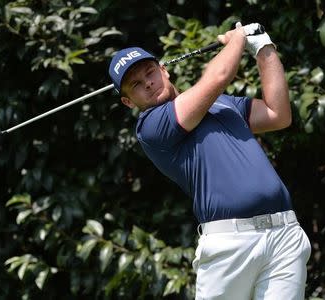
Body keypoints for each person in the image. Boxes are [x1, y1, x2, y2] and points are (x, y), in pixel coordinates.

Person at [108, 22, 311, 300]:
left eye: (150, 72)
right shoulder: (152, 126)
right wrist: (238, 39)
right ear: (128, 102)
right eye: (136, 84)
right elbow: (218, 76)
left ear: (163, 69)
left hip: (284, 233)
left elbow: (278, 115)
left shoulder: (223, 104)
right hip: (230, 244)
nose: (148, 83)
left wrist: (263, 47)